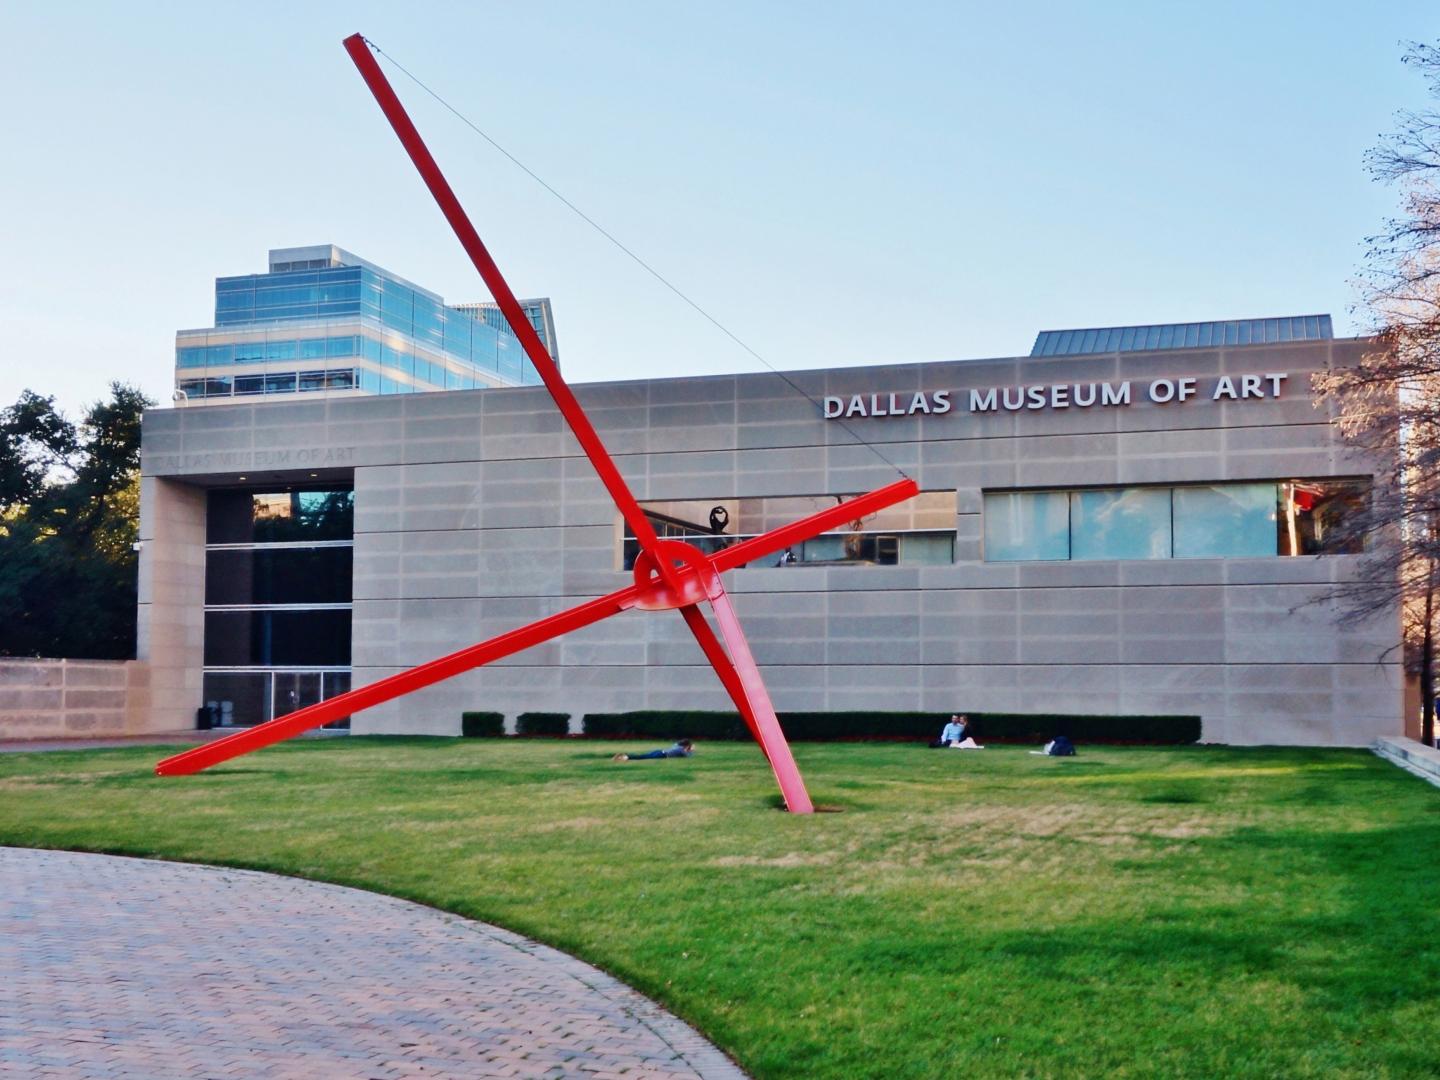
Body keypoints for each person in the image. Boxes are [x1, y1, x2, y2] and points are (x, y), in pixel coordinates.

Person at [613, 739, 694, 762]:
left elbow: (677, 744)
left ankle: (624, 756)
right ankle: (624, 757)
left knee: (643, 756)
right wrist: (691, 750)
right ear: (686, 746)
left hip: (659, 751)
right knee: (642, 758)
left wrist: (688, 749)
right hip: (661, 755)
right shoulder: (680, 750)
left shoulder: (676, 746)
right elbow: (688, 756)